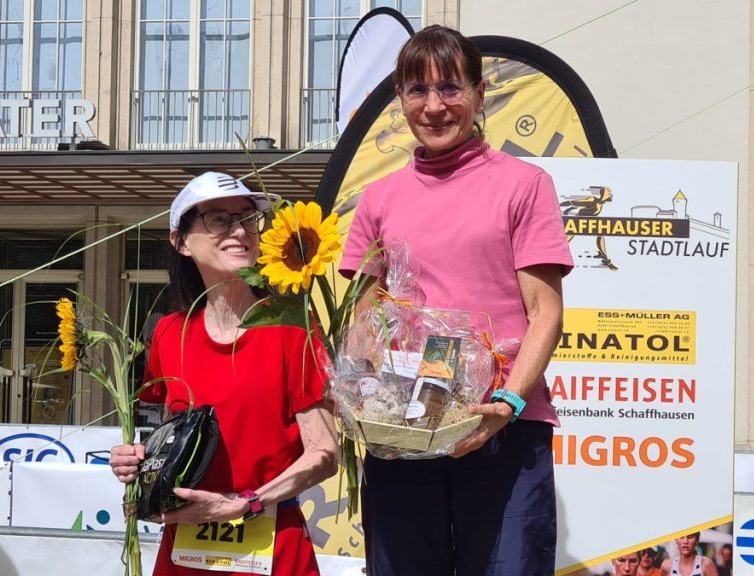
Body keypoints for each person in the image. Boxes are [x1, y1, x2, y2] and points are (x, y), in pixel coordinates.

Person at [339, 25, 572, 576]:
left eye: (450, 87)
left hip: (500, 426)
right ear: (400, 99)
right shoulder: (378, 199)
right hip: (403, 429)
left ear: (479, 93)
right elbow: (365, 320)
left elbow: (546, 312)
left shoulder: (524, 184)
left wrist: (508, 404)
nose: (434, 105)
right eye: (417, 90)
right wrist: (357, 397)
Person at [109, 171, 338, 575]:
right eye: (218, 219)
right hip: (184, 552)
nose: (239, 230)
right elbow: (174, 442)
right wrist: (138, 462)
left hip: (272, 548)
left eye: (248, 218)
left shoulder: (293, 326)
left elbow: (325, 454)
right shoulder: (169, 333)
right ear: (181, 241)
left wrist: (245, 504)